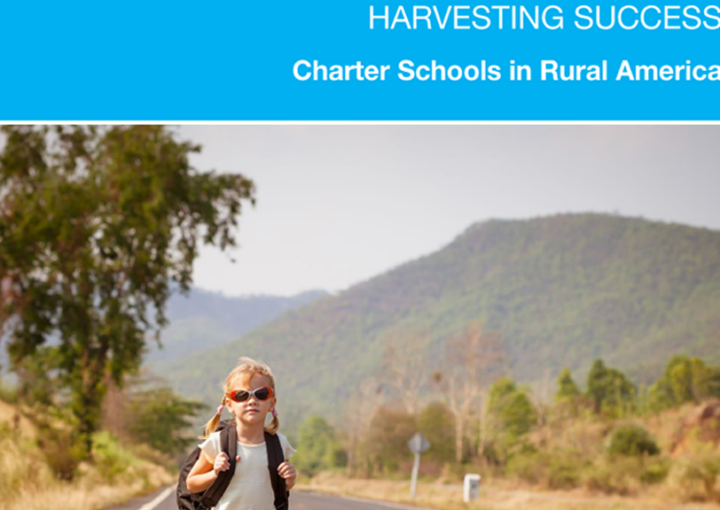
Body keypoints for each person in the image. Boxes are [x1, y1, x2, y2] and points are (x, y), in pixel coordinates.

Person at [187, 356, 297, 509]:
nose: (252, 401)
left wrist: (290, 479)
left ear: (272, 403)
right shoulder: (218, 442)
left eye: (261, 394)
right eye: (241, 395)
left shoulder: (279, 443)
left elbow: (279, 487)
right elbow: (192, 484)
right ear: (229, 404)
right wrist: (215, 473)